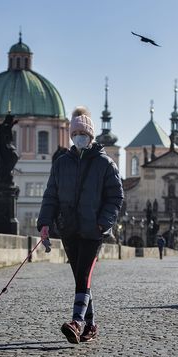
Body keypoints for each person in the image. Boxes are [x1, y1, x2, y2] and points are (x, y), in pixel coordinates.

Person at [37, 106, 123, 344]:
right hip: (69, 229)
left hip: (92, 231)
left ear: (91, 136)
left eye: (82, 134)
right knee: (80, 279)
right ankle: (92, 325)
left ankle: (76, 322)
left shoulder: (105, 164)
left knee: (84, 274)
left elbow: (116, 198)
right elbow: (50, 196)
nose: (78, 138)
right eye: (74, 134)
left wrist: (102, 224)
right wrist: (45, 223)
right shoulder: (62, 163)